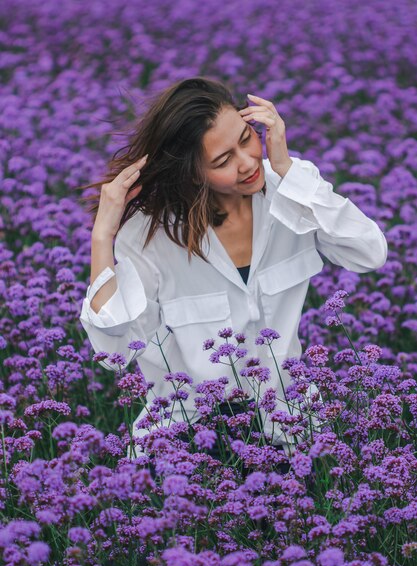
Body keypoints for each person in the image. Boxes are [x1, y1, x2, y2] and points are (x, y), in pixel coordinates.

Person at [79, 76, 387, 460]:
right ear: (192, 173)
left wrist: (289, 171)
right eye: (223, 161)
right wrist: (102, 236)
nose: (247, 164)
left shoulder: (289, 190)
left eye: (247, 138)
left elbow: (368, 253)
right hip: (188, 437)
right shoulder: (149, 234)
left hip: (293, 426)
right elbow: (113, 354)